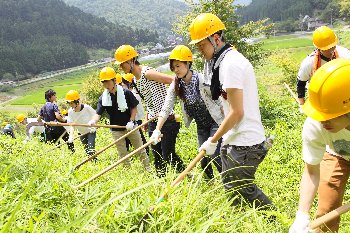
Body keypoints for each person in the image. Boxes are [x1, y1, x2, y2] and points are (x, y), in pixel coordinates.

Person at [189, 13, 274, 210]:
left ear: (215, 38)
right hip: (233, 138)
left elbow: (237, 112)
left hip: (246, 142)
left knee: (244, 189)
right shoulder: (220, 63)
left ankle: (277, 220)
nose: (200, 51)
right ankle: (238, 223)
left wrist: (212, 140)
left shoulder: (232, 64)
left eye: (202, 45)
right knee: (230, 188)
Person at [289, 58, 350, 233]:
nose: (322, 121)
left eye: (329, 115)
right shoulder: (316, 123)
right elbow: (311, 171)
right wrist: (301, 215)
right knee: (326, 212)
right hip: (338, 155)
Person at [150, 45, 224, 180]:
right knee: (203, 158)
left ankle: (229, 183)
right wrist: (157, 129)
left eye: (178, 66)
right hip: (201, 125)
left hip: (215, 121)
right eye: (173, 67)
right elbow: (166, 108)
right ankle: (210, 184)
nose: (175, 70)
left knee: (214, 154)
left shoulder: (202, 80)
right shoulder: (176, 85)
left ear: (188, 63)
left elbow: (219, 100)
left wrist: (229, 119)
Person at [115, 44, 186, 176]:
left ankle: (188, 175)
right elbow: (149, 99)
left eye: (122, 63)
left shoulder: (147, 73)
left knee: (168, 156)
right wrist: (148, 116)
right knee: (157, 158)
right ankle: (161, 182)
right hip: (154, 121)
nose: (121, 67)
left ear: (131, 60)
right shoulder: (136, 79)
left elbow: (173, 80)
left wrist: (174, 100)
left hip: (167, 120)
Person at [89, 67, 150, 170]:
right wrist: (93, 121)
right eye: (103, 82)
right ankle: (128, 172)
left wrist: (131, 121)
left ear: (114, 80)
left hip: (131, 127)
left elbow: (134, 108)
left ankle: (147, 168)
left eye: (107, 82)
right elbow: (98, 113)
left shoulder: (126, 93)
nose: (106, 85)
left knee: (140, 149)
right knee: (122, 153)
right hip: (116, 130)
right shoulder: (103, 98)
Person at [297, 26, 350, 106]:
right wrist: (302, 104)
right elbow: (301, 83)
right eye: (326, 49)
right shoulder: (308, 63)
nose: (331, 51)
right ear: (318, 47)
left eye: (332, 47)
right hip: (320, 99)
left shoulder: (345, 54)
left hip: (343, 95)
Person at [121, 73, 149, 156]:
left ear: (128, 84)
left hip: (136, 119)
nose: (122, 86)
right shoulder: (135, 92)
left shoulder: (132, 94)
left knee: (140, 137)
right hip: (137, 118)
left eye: (123, 84)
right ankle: (143, 151)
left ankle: (145, 151)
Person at [65, 90, 97, 157]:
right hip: (81, 132)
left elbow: (96, 116)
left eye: (71, 103)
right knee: (87, 151)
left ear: (77, 101)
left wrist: (94, 125)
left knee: (91, 150)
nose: (70, 105)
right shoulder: (70, 112)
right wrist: (71, 135)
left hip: (91, 131)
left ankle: (95, 162)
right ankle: (93, 163)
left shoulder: (87, 108)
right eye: (69, 103)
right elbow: (72, 125)